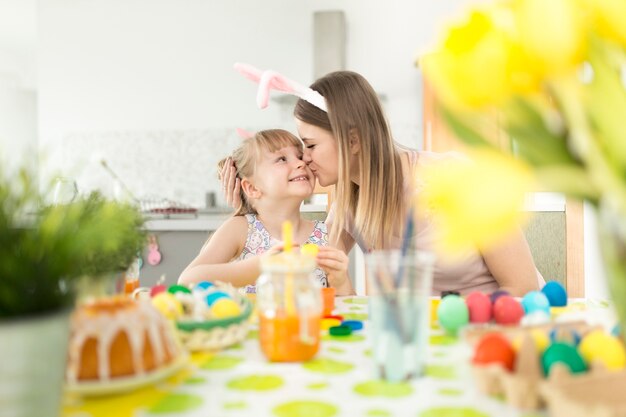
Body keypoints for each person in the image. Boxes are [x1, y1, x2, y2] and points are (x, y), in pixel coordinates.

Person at [222, 71, 542, 297]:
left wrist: (450, 320)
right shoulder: (349, 201)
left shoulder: (457, 179)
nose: (304, 159)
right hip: (421, 338)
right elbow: (306, 262)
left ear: (353, 140)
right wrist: (251, 205)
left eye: (311, 145)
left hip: (488, 335)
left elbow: (522, 287)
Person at [178, 129, 349, 289]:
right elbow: (187, 281)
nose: (300, 163)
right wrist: (258, 266)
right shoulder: (240, 228)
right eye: (282, 159)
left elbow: (350, 305)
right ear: (252, 188)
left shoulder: (328, 235)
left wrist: (340, 282)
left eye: (300, 156)